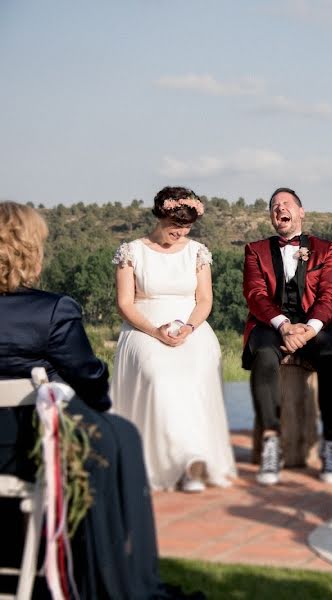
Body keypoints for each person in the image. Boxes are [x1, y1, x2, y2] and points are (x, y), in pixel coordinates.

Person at [0, 201, 171, 598]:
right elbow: (92, 382)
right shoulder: (52, 310)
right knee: (121, 435)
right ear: (30, 250)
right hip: (27, 455)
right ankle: (92, 564)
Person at [111, 186, 236, 493]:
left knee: (198, 370)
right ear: (159, 216)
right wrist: (155, 332)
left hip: (190, 326)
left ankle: (194, 460)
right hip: (144, 327)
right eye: (174, 227)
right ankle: (162, 460)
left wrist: (189, 329)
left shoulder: (197, 252)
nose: (179, 234)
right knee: (158, 376)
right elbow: (125, 304)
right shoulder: (132, 252)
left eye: (186, 228)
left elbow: (205, 300)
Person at [242, 187, 332, 485]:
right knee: (263, 356)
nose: (279, 209)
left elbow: (330, 294)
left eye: (286, 204)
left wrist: (310, 328)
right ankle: (272, 442)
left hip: (315, 324)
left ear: (301, 212)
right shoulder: (255, 250)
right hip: (270, 324)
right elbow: (255, 294)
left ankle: (331, 443)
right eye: (274, 206)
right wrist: (283, 326)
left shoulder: (325, 248)